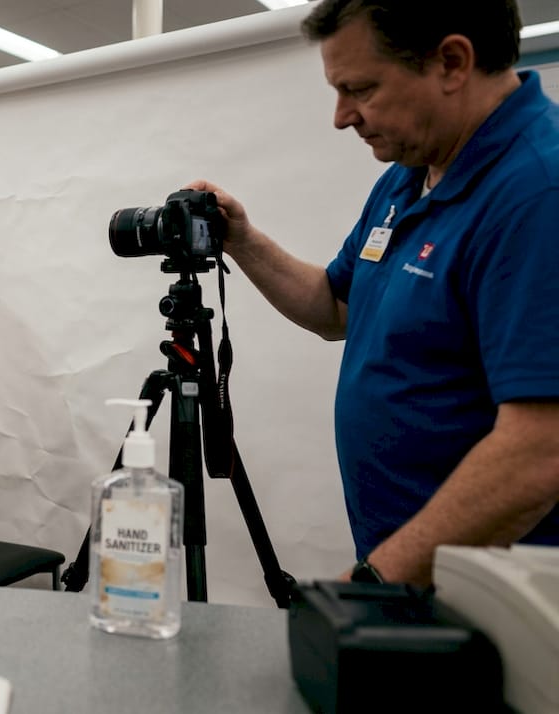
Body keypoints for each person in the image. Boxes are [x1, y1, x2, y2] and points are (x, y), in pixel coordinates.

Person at [188, 0, 559, 587]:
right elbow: (337, 307)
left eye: (359, 88)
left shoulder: (538, 191)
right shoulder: (409, 175)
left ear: (452, 63)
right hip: (418, 577)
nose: (342, 117)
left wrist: (371, 585)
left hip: (496, 598)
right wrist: (242, 240)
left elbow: (541, 449)